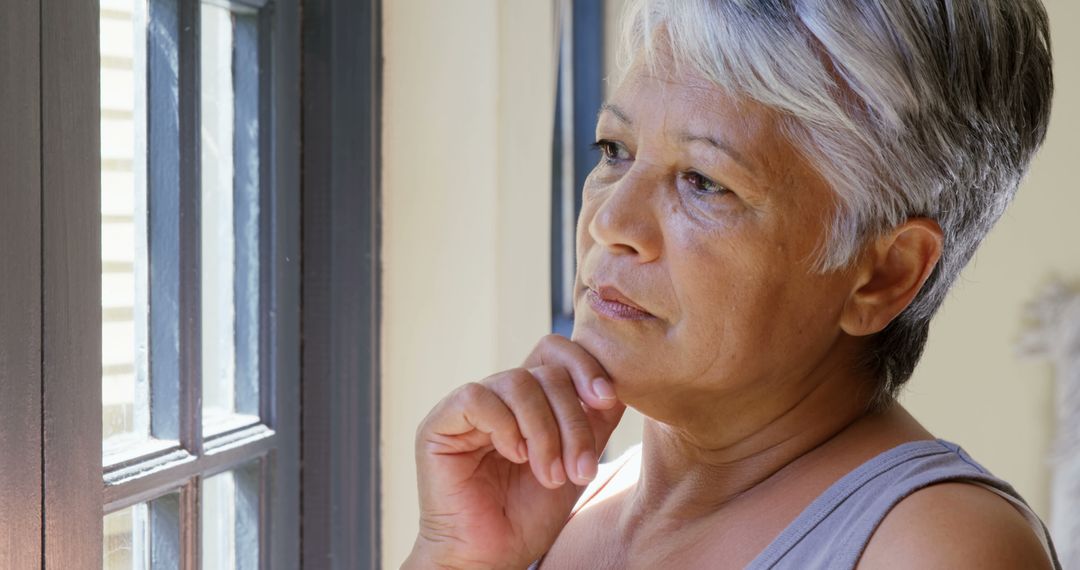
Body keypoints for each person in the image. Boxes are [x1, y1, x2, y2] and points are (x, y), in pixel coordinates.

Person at [404, 0, 1060, 567]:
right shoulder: (546, 510)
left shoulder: (936, 548)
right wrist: (456, 559)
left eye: (705, 182)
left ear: (881, 275)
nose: (609, 221)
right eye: (614, 151)